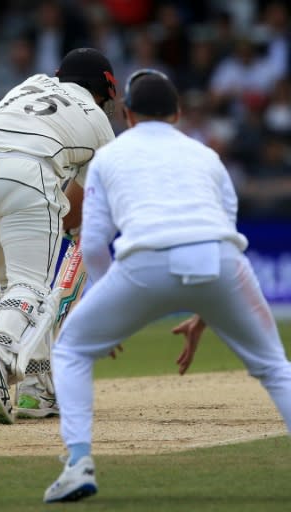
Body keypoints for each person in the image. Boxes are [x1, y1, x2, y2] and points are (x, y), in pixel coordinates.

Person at [43, 70, 291, 503]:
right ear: (177, 113)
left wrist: (103, 298)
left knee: (72, 349)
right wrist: (208, 308)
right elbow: (223, 229)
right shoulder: (206, 156)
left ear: (127, 114)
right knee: (274, 367)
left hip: (146, 263)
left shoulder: (110, 157)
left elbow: (95, 242)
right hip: (221, 261)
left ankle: (78, 463)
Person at [0, 48, 118, 424]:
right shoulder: (98, 123)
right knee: (33, 288)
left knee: (9, 287)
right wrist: (74, 234)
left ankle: (36, 391)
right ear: (104, 90)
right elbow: (86, 207)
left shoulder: (28, 85)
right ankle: (0, 355)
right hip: (26, 176)